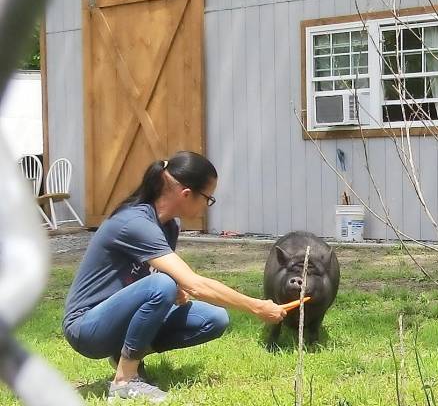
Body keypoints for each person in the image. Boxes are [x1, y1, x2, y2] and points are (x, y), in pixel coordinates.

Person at [62, 151, 286, 403]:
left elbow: (166, 277)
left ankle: (124, 356)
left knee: (214, 318)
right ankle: (125, 381)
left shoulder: (169, 225)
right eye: (208, 198)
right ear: (186, 194)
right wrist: (257, 307)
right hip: (87, 328)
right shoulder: (134, 222)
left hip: (119, 318)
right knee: (162, 285)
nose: (207, 204)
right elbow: (193, 284)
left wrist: (175, 289)